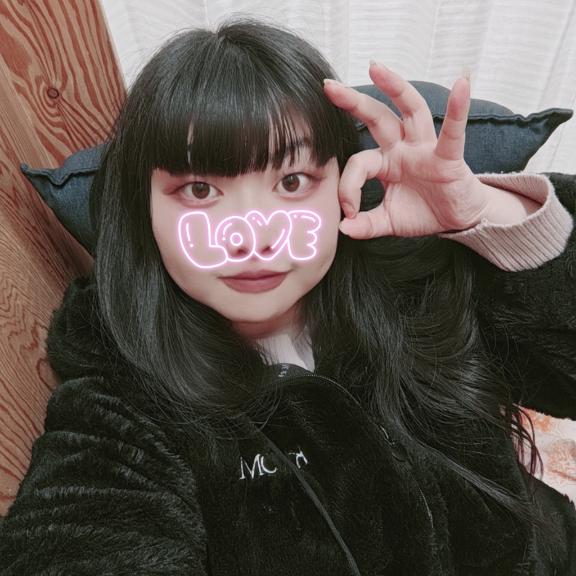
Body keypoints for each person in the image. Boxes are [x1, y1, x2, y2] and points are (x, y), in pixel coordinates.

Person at [1, 17, 575, 576]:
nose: (253, 236)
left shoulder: (414, 281)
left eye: (292, 181)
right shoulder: (121, 393)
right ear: (143, 210)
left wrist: (486, 215)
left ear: (341, 182)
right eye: (199, 189)